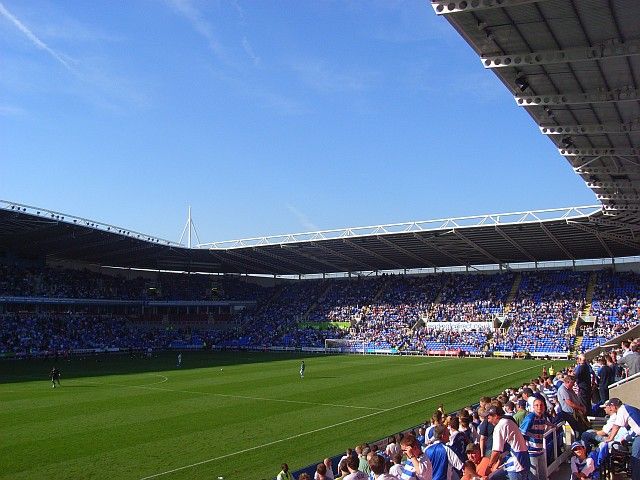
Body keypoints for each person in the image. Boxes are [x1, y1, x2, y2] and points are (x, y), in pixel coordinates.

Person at [486, 406, 530, 480]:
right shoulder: (508, 420)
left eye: (489, 417)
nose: (488, 421)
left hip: (516, 464)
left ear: (496, 416)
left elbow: (496, 451)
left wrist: (489, 466)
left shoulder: (499, 426)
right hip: (522, 459)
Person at [602, 397, 640, 480]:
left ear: (613, 406)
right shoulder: (629, 408)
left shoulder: (622, 410)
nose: (610, 409)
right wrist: (627, 438)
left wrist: (610, 438)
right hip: (637, 436)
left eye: (610, 407)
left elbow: (616, 426)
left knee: (635, 460)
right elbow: (635, 428)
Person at [520, 398, 555, 480]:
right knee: (534, 476)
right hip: (531, 452)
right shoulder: (530, 418)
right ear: (533, 407)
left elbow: (545, 421)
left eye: (541, 405)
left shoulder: (542, 417)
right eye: (537, 405)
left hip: (540, 451)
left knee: (543, 475)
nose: (539, 407)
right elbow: (521, 433)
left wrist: (553, 425)